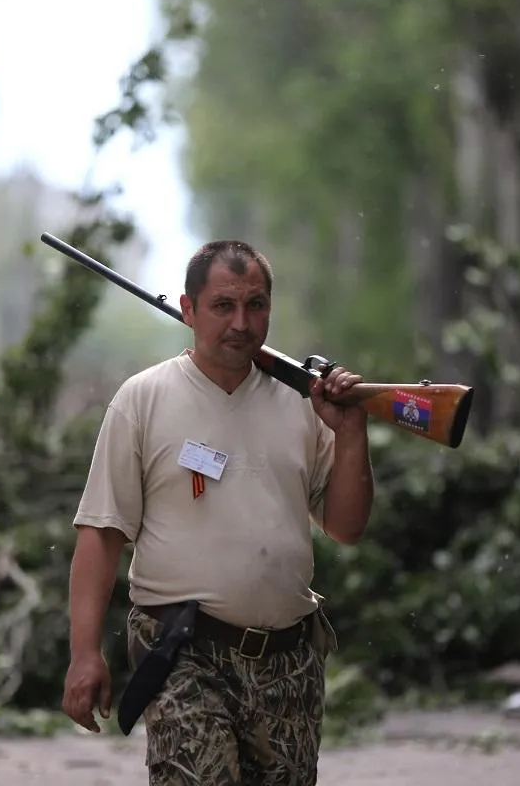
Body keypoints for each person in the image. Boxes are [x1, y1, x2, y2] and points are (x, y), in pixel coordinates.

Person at [61, 239, 375, 785]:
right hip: (183, 648)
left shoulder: (305, 405)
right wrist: (84, 653)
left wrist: (350, 433)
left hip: (289, 657)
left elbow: (347, 527)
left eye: (255, 305)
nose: (241, 322)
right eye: (223, 306)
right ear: (188, 309)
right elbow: (101, 534)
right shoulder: (142, 400)